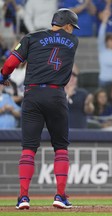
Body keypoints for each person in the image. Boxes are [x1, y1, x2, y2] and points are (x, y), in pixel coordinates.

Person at [0, 8, 80, 209]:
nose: (73, 31)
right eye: (72, 27)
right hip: (56, 95)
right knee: (60, 148)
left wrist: (3, 76)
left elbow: (10, 63)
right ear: (68, 25)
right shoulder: (73, 41)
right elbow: (59, 43)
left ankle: (23, 198)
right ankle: (60, 196)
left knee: (28, 149)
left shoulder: (31, 37)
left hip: (32, 95)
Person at [97, 8, 112, 105]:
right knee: (102, 104)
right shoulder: (102, 50)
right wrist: (104, 22)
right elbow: (101, 35)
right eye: (111, 40)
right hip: (104, 82)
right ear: (107, 42)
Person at [65, 64, 95, 129]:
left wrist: (88, 103)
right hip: (63, 131)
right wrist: (68, 95)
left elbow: (89, 111)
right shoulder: (58, 92)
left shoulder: (82, 93)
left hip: (80, 131)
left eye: (74, 76)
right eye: (70, 75)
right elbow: (56, 109)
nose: (72, 78)